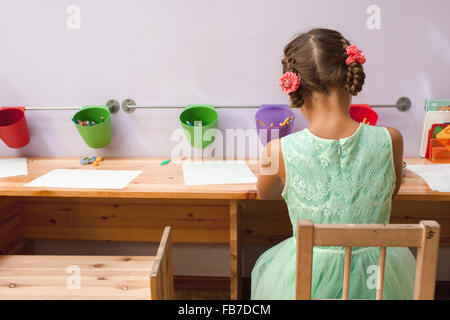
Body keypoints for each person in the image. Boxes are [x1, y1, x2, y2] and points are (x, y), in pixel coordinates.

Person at [251, 28, 415, 300]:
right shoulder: (391, 139)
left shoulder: (277, 150)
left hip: (309, 276)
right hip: (378, 278)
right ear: (350, 76)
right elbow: (391, 191)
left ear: (295, 88)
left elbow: (264, 194)